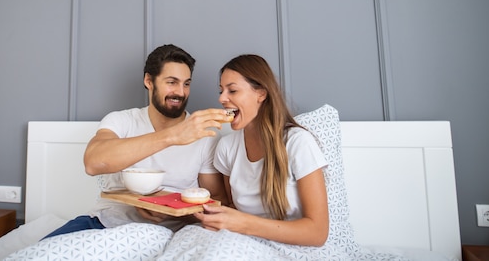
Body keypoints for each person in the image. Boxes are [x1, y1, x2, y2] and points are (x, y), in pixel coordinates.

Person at [43, 44, 232, 238]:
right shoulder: (121, 121)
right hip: (106, 224)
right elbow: (93, 162)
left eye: (186, 83)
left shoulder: (205, 135)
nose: (181, 92)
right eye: (171, 82)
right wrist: (172, 136)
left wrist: (169, 209)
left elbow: (216, 203)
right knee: (39, 253)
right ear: (149, 81)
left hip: (171, 233)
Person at [194, 54, 329, 246]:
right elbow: (231, 207)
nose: (222, 98)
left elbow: (317, 233)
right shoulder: (226, 148)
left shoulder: (298, 143)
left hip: (293, 248)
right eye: (221, 91)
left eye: (232, 90)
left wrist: (245, 224)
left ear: (261, 94)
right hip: (244, 243)